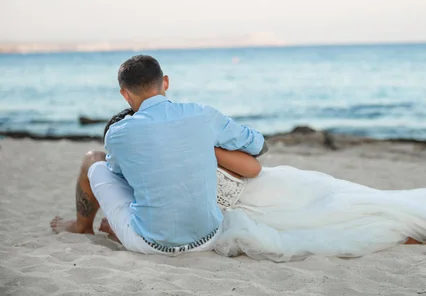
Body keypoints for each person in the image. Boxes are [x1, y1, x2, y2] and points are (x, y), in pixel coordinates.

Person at [97, 110, 426, 262]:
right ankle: (415, 229)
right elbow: (251, 164)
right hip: (270, 187)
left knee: (351, 210)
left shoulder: (133, 159)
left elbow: (244, 172)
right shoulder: (196, 138)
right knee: (352, 208)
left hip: (264, 192)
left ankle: (415, 229)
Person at [50, 55, 268, 255]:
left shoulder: (118, 132)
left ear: (125, 94)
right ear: (165, 82)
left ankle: (82, 226)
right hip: (209, 238)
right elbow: (257, 144)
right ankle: (117, 227)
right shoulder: (203, 114)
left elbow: (117, 176)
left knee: (93, 161)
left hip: (151, 245)